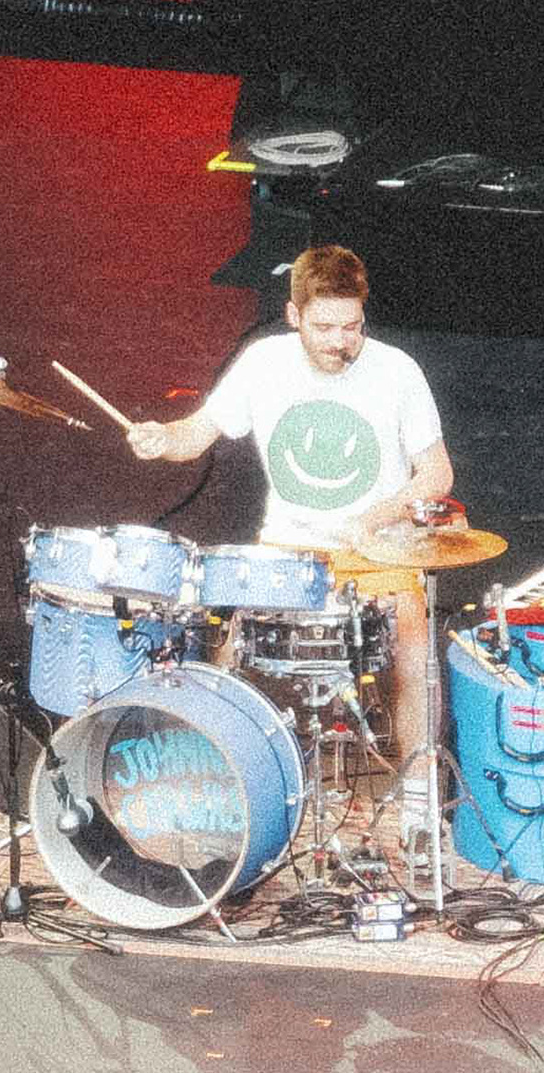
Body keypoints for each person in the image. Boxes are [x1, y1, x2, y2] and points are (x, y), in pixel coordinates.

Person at [122, 241, 454, 824]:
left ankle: (420, 792)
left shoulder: (399, 371)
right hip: (289, 547)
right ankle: (227, 786)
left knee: (411, 628)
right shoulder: (263, 362)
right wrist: (161, 439)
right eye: (324, 327)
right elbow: (197, 434)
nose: (340, 342)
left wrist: (375, 517)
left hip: (376, 548)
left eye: (351, 327)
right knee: (228, 631)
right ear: (294, 314)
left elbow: (437, 472)